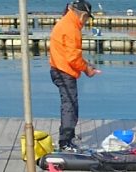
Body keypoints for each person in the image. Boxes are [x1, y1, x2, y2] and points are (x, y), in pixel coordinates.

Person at [49, 1, 101, 152]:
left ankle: (68, 137)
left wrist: (85, 64)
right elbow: (73, 58)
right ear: (83, 15)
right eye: (87, 19)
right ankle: (65, 142)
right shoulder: (72, 29)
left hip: (58, 68)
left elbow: (72, 55)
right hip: (64, 71)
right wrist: (87, 69)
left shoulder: (65, 22)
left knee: (69, 104)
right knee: (70, 106)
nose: (86, 23)